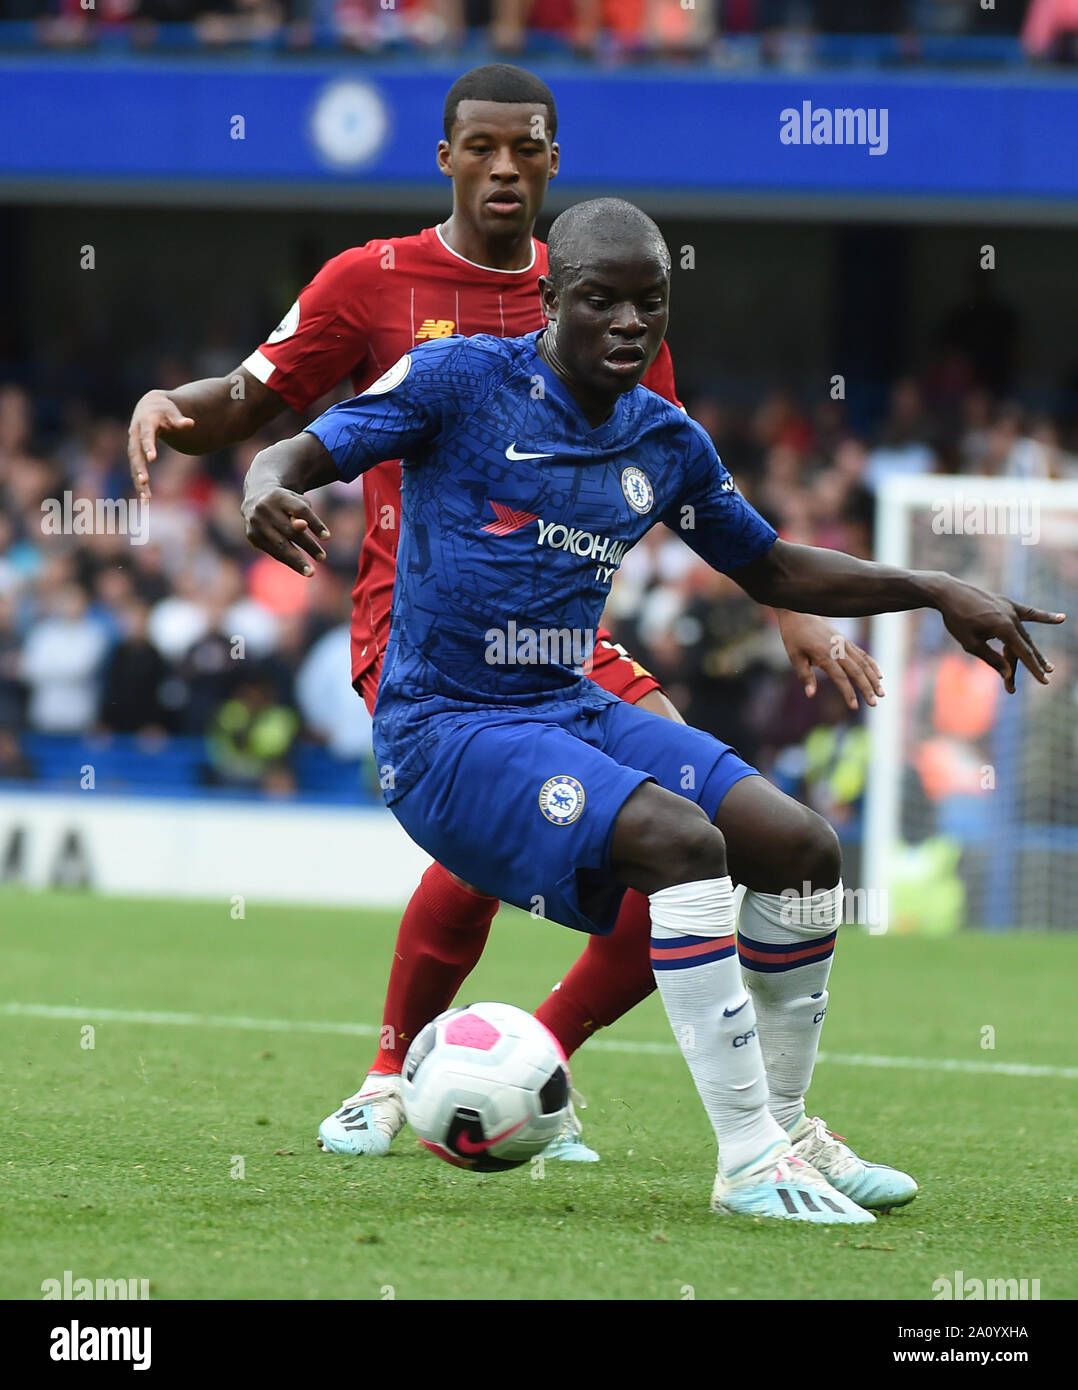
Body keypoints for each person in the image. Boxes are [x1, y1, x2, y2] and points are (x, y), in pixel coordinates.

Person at [241, 200, 1063, 1221]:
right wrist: (261, 484)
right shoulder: (460, 379)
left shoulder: (664, 438)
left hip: (563, 706)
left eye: (650, 303)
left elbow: (768, 563)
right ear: (547, 299)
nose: (630, 323)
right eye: (602, 300)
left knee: (800, 846)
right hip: (444, 729)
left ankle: (790, 1126)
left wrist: (935, 588)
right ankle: (744, 1159)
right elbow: (301, 451)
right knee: (683, 844)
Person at [128, 64, 883, 1169]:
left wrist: (788, 611)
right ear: (446, 158)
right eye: (481, 148)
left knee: (681, 825)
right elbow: (252, 403)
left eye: (524, 149)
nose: (503, 168)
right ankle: (390, 1076)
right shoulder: (371, 281)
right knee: (503, 837)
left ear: (552, 160)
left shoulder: (608, 282)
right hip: (421, 626)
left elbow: (680, 480)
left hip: (570, 632)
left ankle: (538, 1061)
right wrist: (174, 412)